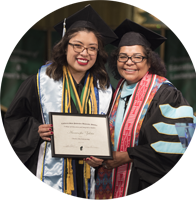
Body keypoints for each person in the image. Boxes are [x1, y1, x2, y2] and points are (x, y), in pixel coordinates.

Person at [4, 5, 117, 200]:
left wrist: (103, 155)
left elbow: (112, 129)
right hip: (48, 171)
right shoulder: (39, 82)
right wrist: (36, 129)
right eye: (77, 45)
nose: (85, 53)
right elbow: (14, 119)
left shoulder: (105, 88)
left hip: (89, 175)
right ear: (65, 46)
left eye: (92, 48)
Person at [85, 19, 196, 200]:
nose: (129, 62)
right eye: (123, 57)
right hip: (110, 183)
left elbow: (187, 142)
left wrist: (128, 156)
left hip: (148, 186)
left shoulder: (165, 93)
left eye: (137, 57)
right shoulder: (115, 92)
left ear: (149, 61)